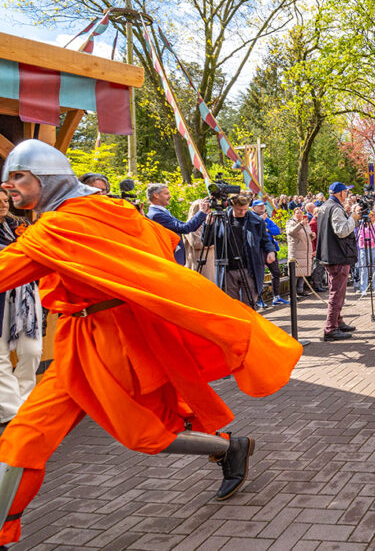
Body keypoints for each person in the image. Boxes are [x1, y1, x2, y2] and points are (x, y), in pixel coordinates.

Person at [0, 140, 302, 548]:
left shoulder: (58, 228)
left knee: (146, 433)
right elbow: (164, 244)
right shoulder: (114, 210)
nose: (9, 186)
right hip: (88, 340)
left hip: (111, 343)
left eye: (18, 176)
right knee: (27, 435)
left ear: (46, 177)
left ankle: (230, 448)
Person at [0, 189, 42, 425]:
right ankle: (10, 411)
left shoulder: (19, 225)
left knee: (32, 352)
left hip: (24, 296)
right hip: (1, 297)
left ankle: (23, 401)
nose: (3, 205)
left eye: (5, 201)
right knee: (0, 357)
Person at [206, 194, 275, 309]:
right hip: (228, 269)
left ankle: (249, 326)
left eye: (245, 209)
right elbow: (207, 242)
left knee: (249, 306)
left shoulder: (256, 221)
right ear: (232, 205)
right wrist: (208, 225)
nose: (243, 212)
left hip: (249, 269)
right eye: (239, 209)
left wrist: (270, 251)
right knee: (231, 306)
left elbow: (265, 240)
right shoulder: (221, 219)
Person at [316, 182, 359, 341]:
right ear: (340, 194)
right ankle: (331, 328)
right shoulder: (335, 208)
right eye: (346, 192)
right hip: (338, 255)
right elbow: (341, 232)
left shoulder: (324, 206)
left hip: (330, 254)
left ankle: (337, 321)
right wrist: (353, 219)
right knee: (337, 292)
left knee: (337, 291)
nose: (347, 195)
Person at [146, 182, 209, 266]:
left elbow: (186, 226)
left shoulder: (161, 212)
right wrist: (201, 211)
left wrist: (203, 214)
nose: (170, 196)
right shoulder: (157, 215)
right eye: (166, 194)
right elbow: (184, 228)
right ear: (156, 195)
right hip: (170, 260)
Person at [252, 200, 287, 306]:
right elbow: (253, 233)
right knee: (259, 275)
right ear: (253, 208)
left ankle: (276, 297)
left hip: (270, 250)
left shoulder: (267, 218)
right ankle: (258, 299)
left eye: (263, 206)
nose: (262, 207)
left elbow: (277, 231)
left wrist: (266, 228)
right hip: (258, 251)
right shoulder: (252, 219)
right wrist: (261, 223)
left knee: (276, 272)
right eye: (259, 206)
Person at [286, 207, 314, 297]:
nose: (299, 215)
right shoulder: (290, 222)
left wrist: (313, 235)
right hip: (296, 251)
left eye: (301, 213)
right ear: (294, 214)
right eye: (297, 213)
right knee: (295, 273)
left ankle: (300, 290)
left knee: (303, 271)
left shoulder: (305, 223)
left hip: (305, 251)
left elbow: (308, 236)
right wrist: (300, 225)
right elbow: (291, 233)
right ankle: (292, 294)